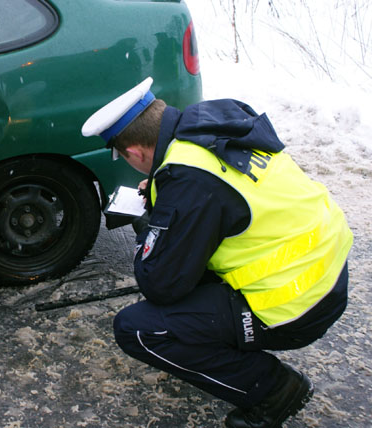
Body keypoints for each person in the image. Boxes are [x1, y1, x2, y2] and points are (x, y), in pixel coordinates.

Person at [81, 77, 352, 428]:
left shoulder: (189, 178)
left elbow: (159, 283)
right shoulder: (214, 125)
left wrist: (153, 222)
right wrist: (168, 199)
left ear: (133, 152)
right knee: (189, 263)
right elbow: (222, 196)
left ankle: (273, 389)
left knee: (138, 329)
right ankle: (220, 343)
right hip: (326, 272)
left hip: (298, 304)